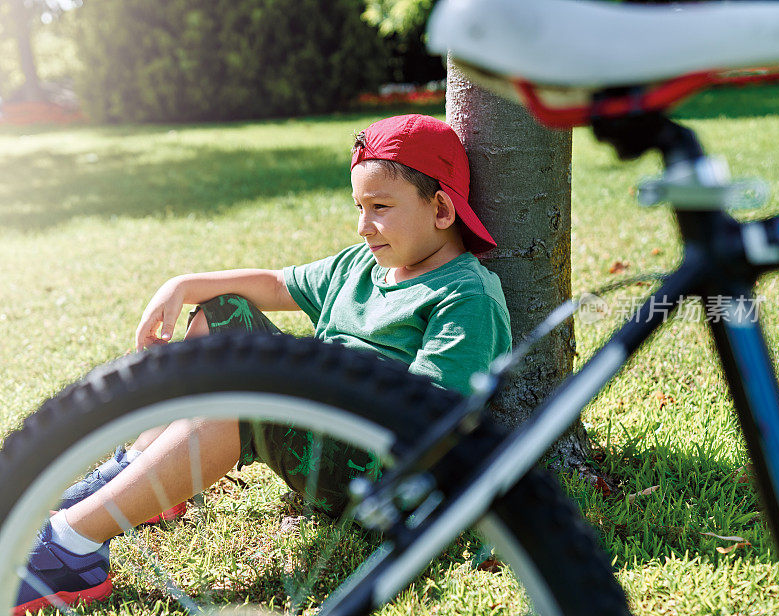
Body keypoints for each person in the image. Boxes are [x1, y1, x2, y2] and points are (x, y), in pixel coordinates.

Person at [14, 114, 512, 614]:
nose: (363, 226)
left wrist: (313, 390)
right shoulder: (363, 264)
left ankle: (71, 548)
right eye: (359, 207)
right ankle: (144, 472)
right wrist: (183, 285)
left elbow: (431, 418)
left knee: (246, 386)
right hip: (324, 428)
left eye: (380, 208)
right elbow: (276, 285)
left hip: (373, 473)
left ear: (442, 209)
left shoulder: (465, 295)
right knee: (222, 313)